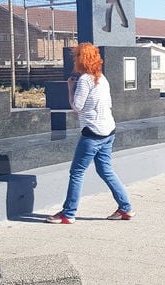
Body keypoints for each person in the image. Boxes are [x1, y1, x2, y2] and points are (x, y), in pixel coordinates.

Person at [47, 43, 133, 224]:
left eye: (76, 57)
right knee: (106, 170)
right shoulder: (102, 78)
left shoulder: (85, 80)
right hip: (109, 130)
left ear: (81, 59)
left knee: (77, 172)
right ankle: (125, 208)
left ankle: (68, 213)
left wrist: (70, 88)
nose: (75, 60)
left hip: (92, 133)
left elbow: (77, 107)